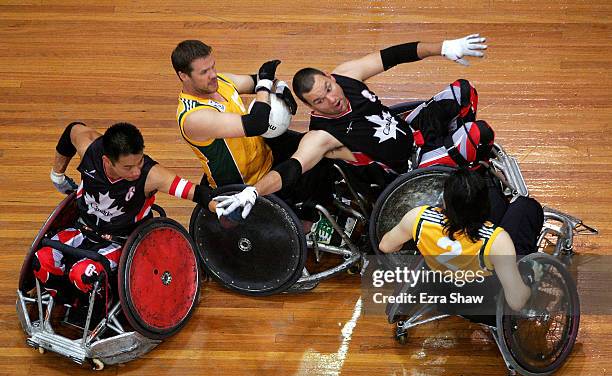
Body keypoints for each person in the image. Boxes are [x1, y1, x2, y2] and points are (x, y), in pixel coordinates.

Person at [215, 34, 494, 219]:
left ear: (329, 76)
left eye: (328, 88)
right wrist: (254, 191)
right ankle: (461, 173)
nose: (332, 99)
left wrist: (444, 48)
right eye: (320, 100)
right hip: (406, 168)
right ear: (312, 108)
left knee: (463, 91)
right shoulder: (321, 135)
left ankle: (460, 168)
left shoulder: (347, 74)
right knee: (477, 134)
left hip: (409, 129)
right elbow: (292, 168)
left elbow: (395, 54)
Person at [34, 122, 215, 300]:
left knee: (84, 274)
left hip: (120, 243)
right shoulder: (89, 147)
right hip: (82, 229)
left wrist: (219, 206)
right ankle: (65, 298)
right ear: (107, 161)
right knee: (41, 260)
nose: (136, 171)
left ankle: (104, 303)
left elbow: (196, 193)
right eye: (128, 167)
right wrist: (57, 174)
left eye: (140, 161)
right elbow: (71, 130)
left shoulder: (150, 174)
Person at [171, 40, 334, 220]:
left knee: (320, 149)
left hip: (265, 155)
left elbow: (259, 80)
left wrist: (279, 87)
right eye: (204, 72)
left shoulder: (221, 82)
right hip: (245, 185)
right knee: (304, 177)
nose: (213, 75)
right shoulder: (193, 117)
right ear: (183, 75)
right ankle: (307, 224)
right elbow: (256, 123)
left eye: (213, 66)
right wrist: (264, 85)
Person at [378, 168, 535, 323]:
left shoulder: (418, 218)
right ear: (484, 206)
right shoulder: (497, 241)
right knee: (526, 206)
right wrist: (530, 288)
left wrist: (424, 241)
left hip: (442, 294)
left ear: (445, 201)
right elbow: (517, 302)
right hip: (481, 305)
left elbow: (386, 246)